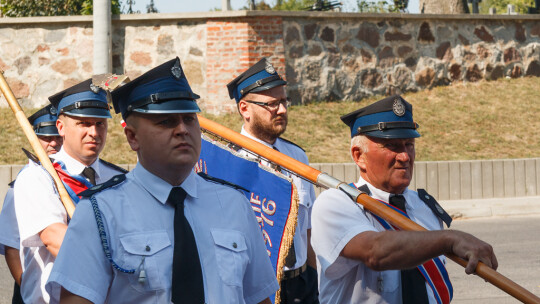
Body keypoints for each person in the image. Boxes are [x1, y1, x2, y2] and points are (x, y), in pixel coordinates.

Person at [46, 57, 279, 304]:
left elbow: (258, 298)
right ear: (132, 137)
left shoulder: (234, 204)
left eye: (189, 119)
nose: (182, 129)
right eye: (166, 121)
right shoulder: (101, 212)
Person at [311, 95, 498, 304]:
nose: (405, 156)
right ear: (358, 156)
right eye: (392, 146)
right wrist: (449, 240)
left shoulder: (424, 206)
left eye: (409, 144)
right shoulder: (336, 203)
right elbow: (376, 252)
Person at [13, 80, 127, 304]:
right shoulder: (38, 176)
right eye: (84, 123)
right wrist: (122, 262)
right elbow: (55, 239)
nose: (94, 132)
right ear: (61, 127)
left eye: (100, 124)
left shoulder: (119, 178)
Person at [227, 58, 318, 303]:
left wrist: (312, 277)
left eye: (284, 101)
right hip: (255, 290)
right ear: (245, 108)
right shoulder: (229, 160)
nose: (282, 110)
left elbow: (305, 229)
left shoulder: (297, 157)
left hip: (301, 285)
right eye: (272, 104)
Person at [0, 104, 63, 304]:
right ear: (34, 138)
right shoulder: (19, 187)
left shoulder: (74, 181)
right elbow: (11, 247)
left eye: (58, 137)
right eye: (46, 137)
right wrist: (25, 284)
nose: (54, 142)